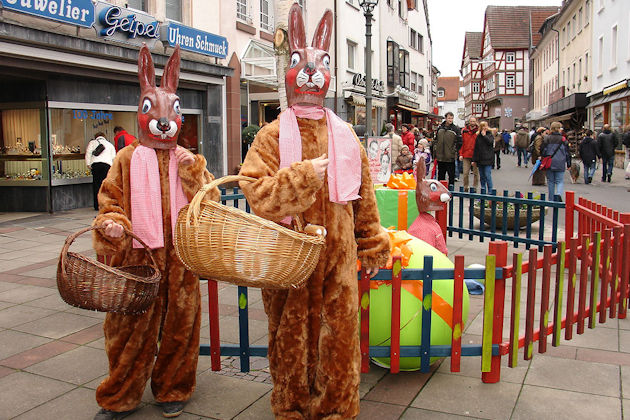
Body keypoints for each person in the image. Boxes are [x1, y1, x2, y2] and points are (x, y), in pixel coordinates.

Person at [238, 5, 390, 418]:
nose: (309, 72)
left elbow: (364, 197)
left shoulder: (344, 135)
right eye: (299, 63)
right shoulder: (271, 136)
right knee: (291, 339)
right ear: (287, 73)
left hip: (338, 263)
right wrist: (301, 178)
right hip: (289, 261)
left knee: (339, 339)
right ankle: (292, 408)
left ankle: (336, 410)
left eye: (320, 63)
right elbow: (255, 191)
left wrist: (372, 243)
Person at [92, 45, 219, 420]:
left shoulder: (189, 157)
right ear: (140, 111)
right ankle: (120, 395)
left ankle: (173, 388)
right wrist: (114, 225)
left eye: (172, 112)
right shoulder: (127, 158)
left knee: (181, 327)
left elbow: (208, 200)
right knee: (129, 330)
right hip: (138, 258)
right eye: (153, 111)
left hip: (182, 259)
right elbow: (109, 201)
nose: (164, 122)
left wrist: (193, 171)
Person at [85, 132, 116, 211]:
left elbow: (88, 153)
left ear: (96, 137)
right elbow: (114, 157)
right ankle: (106, 204)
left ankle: (97, 205)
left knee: (96, 185)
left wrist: (88, 164)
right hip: (107, 166)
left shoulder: (92, 143)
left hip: (96, 165)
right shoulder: (109, 144)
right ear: (104, 137)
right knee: (105, 186)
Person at [541, 121, 571, 200]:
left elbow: (542, 150)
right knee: (560, 181)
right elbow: (567, 153)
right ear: (559, 129)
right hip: (560, 162)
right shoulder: (563, 139)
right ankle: (558, 194)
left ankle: (551, 199)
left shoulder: (547, 138)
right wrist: (569, 164)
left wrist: (544, 156)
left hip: (549, 162)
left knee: (550, 181)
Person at [433, 112, 462, 186]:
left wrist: (454, 151)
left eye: (452, 118)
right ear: (445, 118)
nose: (450, 120)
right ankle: (440, 191)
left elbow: (459, 142)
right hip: (440, 156)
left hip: (450, 156)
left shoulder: (455, 129)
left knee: (451, 175)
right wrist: (435, 150)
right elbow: (436, 140)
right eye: (449, 118)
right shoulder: (440, 128)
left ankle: (450, 191)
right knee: (441, 175)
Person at [472, 121, 494, 192]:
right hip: (480, 159)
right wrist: (474, 160)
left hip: (488, 159)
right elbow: (476, 149)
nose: (485, 128)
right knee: (482, 176)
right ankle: (483, 189)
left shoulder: (490, 135)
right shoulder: (478, 137)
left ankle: (490, 190)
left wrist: (485, 136)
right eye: (483, 126)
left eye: (486, 126)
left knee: (488, 175)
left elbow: (490, 142)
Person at [459, 117, 480, 191]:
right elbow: (462, 143)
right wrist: (461, 154)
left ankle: (475, 187)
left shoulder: (478, 131)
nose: (472, 123)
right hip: (466, 154)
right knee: (465, 173)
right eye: (471, 121)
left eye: (474, 121)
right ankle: (466, 187)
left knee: (476, 173)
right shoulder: (464, 131)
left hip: (475, 155)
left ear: (476, 122)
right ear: (469, 122)